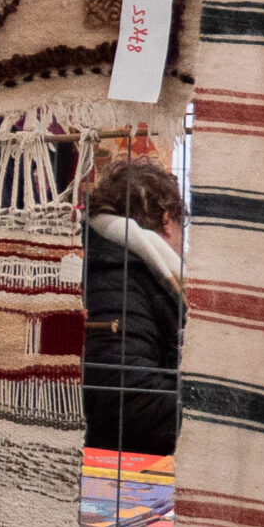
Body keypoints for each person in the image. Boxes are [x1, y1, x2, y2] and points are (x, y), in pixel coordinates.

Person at [83, 155, 188, 456]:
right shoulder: (118, 274)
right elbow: (125, 397)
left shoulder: (107, 260)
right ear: (167, 219)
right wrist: (211, 422)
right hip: (121, 465)